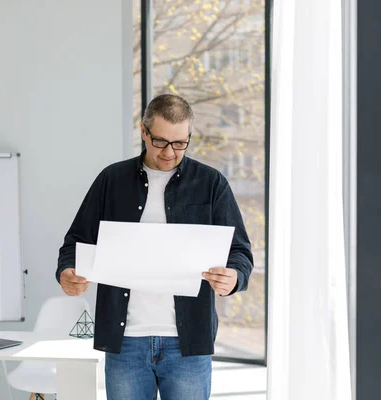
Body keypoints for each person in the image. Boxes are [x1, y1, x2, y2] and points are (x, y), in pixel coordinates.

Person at [56, 94, 254, 399]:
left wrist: (234, 277)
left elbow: (240, 252)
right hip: (125, 343)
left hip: (187, 345)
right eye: (160, 141)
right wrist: (67, 271)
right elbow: (76, 240)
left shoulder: (211, 183)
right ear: (144, 132)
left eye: (180, 143)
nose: (170, 152)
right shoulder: (112, 179)